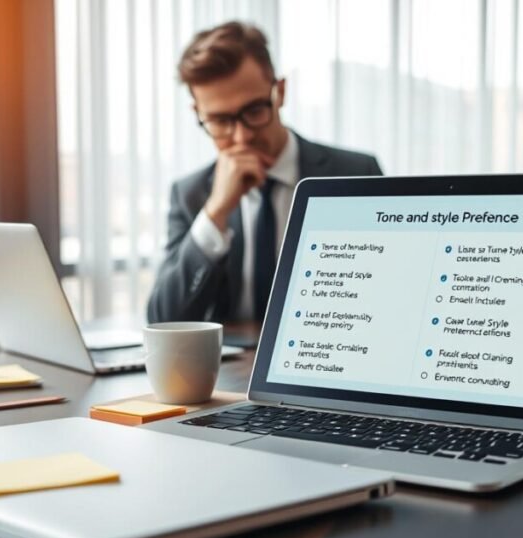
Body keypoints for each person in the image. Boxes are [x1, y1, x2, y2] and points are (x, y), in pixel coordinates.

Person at [147, 21, 383, 324]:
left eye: (254, 111)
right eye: (219, 121)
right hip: (231, 371)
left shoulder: (356, 174)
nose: (242, 137)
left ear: (279, 92)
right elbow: (163, 321)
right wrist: (216, 213)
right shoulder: (190, 195)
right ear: (198, 114)